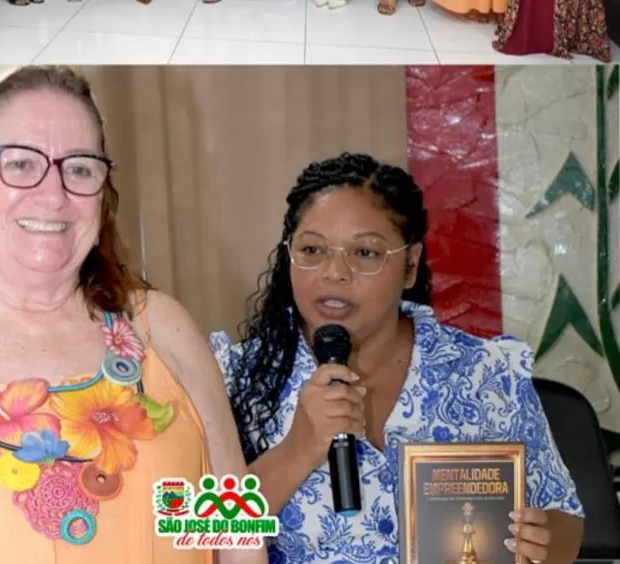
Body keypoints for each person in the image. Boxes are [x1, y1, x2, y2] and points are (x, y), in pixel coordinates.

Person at [0, 65, 266, 564]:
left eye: (79, 168)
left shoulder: (164, 328)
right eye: (19, 163)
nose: (53, 195)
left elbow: (236, 537)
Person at [210, 152, 585, 564]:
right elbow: (189, 535)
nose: (335, 272)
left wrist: (540, 545)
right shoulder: (235, 378)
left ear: (410, 265)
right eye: (313, 249)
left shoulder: (486, 373)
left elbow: (564, 516)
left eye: (365, 253)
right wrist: (296, 451)